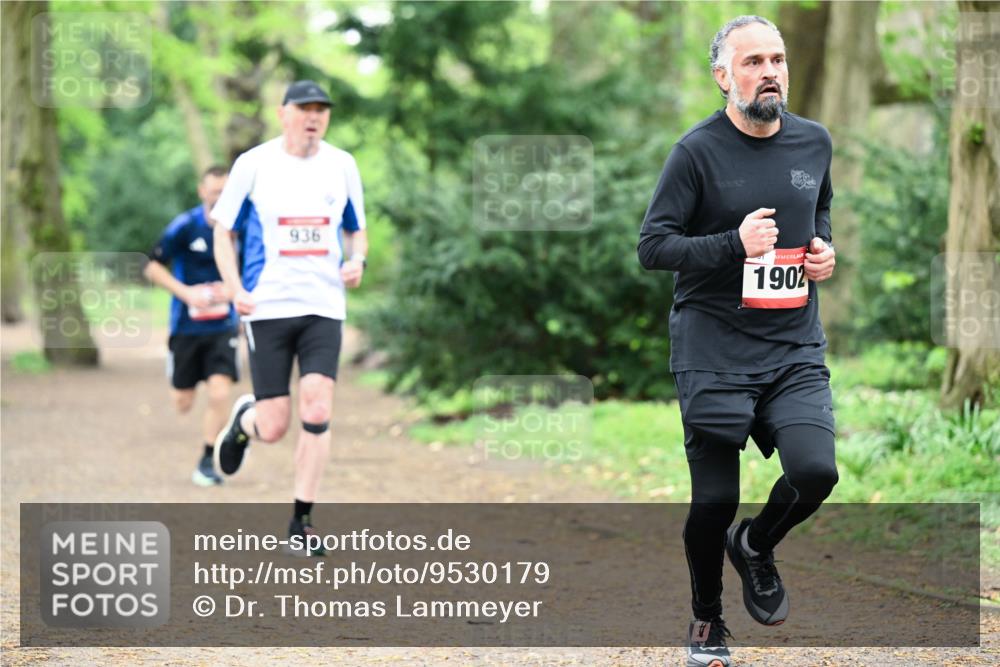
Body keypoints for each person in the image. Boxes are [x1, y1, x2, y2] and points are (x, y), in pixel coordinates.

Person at [637, 15, 839, 667]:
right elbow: (653, 246)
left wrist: (822, 251)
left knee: (815, 469)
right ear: (723, 76)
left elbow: (821, 212)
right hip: (712, 345)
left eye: (776, 58)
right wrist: (731, 244)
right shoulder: (696, 152)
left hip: (791, 343)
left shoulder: (814, 143)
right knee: (713, 499)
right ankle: (707, 618)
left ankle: (754, 542)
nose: (770, 70)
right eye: (752, 61)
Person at [210, 80, 368, 555]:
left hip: (323, 306)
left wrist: (357, 260)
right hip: (268, 306)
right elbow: (223, 232)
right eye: (304, 109)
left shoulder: (342, 165)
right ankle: (246, 421)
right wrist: (236, 289)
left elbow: (357, 230)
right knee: (275, 426)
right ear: (283, 114)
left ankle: (301, 523)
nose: (314, 116)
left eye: (321, 109)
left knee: (317, 406)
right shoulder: (254, 164)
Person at [144, 165, 240, 487]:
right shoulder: (185, 226)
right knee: (183, 403)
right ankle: (178, 374)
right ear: (203, 191)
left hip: (222, 326)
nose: (219, 198)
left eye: (225, 193)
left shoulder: (242, 227)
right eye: (214, 192)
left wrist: (233, 291)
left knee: (220, 392)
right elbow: (151, 266)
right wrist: (187, 294)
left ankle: (208, 458)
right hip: (186, 326)